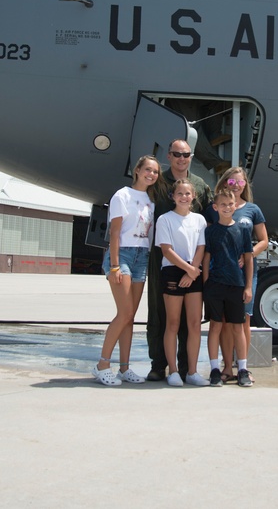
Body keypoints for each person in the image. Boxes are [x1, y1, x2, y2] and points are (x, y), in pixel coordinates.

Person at [145, 139, 214, 381]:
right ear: (169, 155)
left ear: (191, 156)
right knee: (159, 312)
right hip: (161, 259)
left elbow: (211, 219)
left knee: (190, 319)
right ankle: (158, 364)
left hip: (192, 263)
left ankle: (187, 367)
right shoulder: (158, 182)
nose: (181, 158)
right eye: (176, 154)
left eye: (185, 154)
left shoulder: (200, 185)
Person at [91, 155, 160, 386]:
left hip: (142, 256)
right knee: (124, 313)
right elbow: (114, 232)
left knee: (130, 317)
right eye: (148, 170)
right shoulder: (122, 195)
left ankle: (124, 368)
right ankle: (102, 365)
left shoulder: (151, 201)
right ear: (137, 170)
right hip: (123, 255)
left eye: (155, 172)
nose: (151, 174)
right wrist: (114, 265)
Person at [208, 167, 268, 383]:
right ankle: (226, 367)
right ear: (225, 183)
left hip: (245, 273)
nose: (236, 186)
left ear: (245, 185)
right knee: (223, 322)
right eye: (231, 182)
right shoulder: (218, 207)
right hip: (222, 274)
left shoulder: (253, 209)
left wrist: (248, 254)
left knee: (243, 321)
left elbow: (263, 240)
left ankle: (244, 366)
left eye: (240, 182)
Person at [154, 179, 209, 387]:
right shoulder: (165, 219)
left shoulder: (200, 220)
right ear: (173, 196)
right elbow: (166, 249)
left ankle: (192, 372)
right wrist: (189, 270)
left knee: (195, 324)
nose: (184, 197)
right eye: (180, 193)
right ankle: (174, 371)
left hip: (193, 271)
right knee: (173, 323)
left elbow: (201, 248)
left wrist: (193, 271)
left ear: (193, 196)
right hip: (172, 271)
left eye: (187, 193)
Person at [202, 187, 254, 387]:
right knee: (215, 326)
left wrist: (248, 286)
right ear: (215, 207)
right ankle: (215, 369)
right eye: (222, 204)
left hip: (236, 285)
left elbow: (248, 260)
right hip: (215, 285)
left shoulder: (242, 230)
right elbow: (206, 258)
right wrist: (206, 283)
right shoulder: (211, 231)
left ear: (235, 206)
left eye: (230, 204)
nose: (226, 207)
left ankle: (242, 369)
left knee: (237, 327)